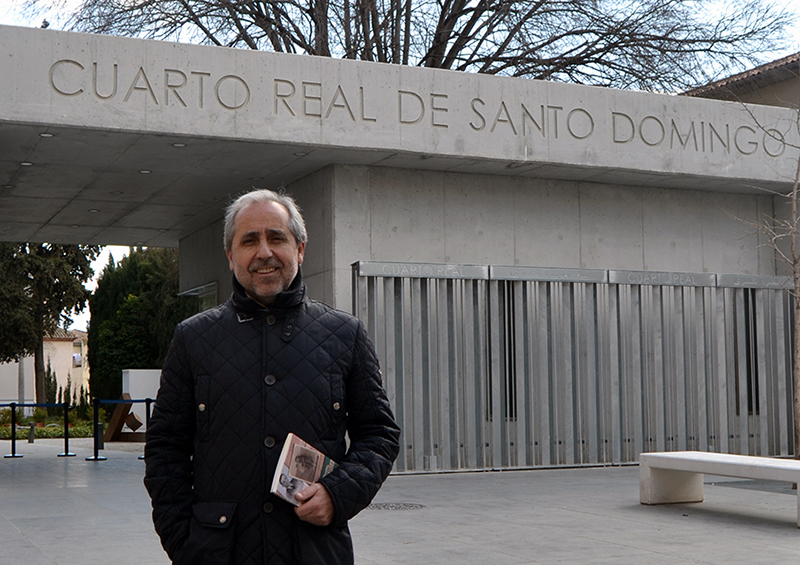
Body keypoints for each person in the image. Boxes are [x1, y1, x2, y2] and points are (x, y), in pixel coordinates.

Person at [144, 189, 400, 565]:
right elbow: (165, 448)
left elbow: (379, 435)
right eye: (249, 240)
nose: (264, 252)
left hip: (315, 551)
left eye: (276, 237)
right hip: (219, 553)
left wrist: (337, 494)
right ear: (231, 257)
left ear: (299, 249)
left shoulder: (346, 335)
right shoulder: (193, 339)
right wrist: (185, 543)